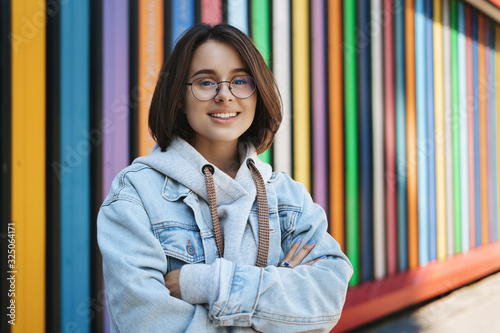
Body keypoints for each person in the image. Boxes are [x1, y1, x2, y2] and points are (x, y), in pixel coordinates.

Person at [97, 23, 352, 333]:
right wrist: (279, 289)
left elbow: (327, 297)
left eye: (240, 81)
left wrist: (207, 284)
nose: (225, 95)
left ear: (257, 92)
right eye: (206, 82)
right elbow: (147, 323)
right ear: (180, 96)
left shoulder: (287, 197)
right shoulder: (137, 195)